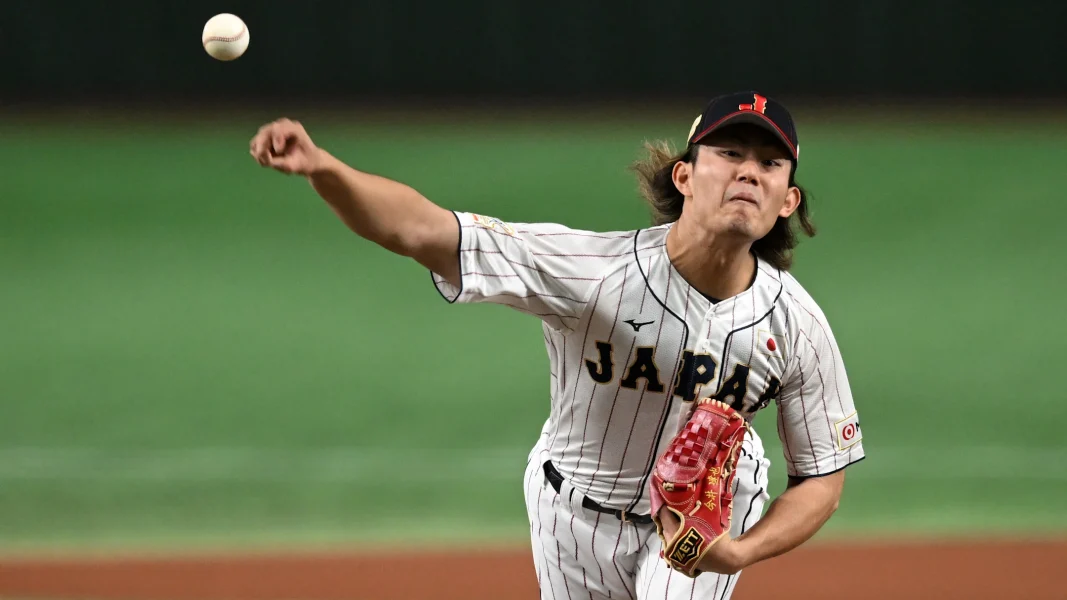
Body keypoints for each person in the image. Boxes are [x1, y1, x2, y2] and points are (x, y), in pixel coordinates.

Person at [249, 91, 865, 600]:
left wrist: (738, 550)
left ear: (788, 200)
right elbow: (421, 229)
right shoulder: (592, 272)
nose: (748, 172)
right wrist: (324, 169)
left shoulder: (797, 326)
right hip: (571, 511)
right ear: (684, 176)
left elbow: (821, 479)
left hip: (698, 516)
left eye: (769, 164)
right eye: (729, 153)